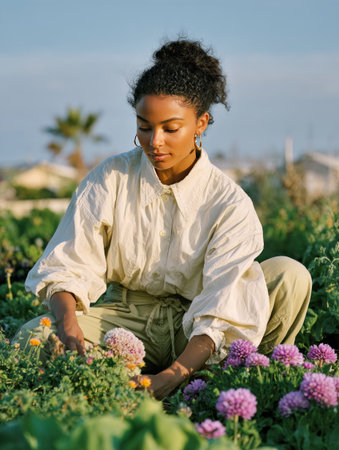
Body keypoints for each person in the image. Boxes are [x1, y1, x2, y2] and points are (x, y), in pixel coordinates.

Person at [13, 39, 312, 400]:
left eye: (171, 129)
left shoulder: (228, 203)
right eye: (144, 126)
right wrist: (68, 325)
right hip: (126, 321)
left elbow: (221, 310)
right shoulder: (110, 177)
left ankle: (238, 385)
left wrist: (171, 376)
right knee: (32, 340)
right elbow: (68, 266)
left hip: (199, 331)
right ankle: (127, 385)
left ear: (201, 123)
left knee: (289, 276)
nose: (155, 142)